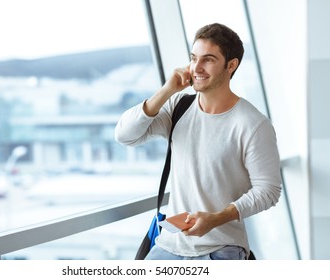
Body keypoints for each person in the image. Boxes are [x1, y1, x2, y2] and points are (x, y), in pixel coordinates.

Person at [115, 23, 282, 260]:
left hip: (221, 249)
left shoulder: (252, 124)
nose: (196, 68)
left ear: (231, 65)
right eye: (194, 58)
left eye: (208, 60)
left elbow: (268, 190)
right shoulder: (178, 107)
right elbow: (124, 135)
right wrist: (166, 90)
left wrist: (216, 218)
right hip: (168, 246)